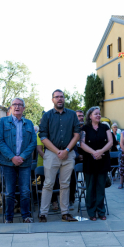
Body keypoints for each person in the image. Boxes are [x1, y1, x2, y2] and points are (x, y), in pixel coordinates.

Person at [38, 89, 80, 222]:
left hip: (68, 154)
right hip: (51, 154)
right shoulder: (47, 116)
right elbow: (43, 136)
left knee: (65, 184)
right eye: (57, 97)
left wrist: (67, 150)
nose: (59, 99)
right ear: (52, 100)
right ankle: (43, 213)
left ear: (64, 99)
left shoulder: (72, 115)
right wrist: (57, 151)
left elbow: (77, 134)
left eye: (61, 97)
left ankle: (65, 212)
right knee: (48, 184)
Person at [0, 97, 37, 223]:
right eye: (14, 104)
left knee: (25, 191)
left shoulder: (29, 123)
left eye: (20, 105)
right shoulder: (2, 121)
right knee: (9, 192)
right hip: (8, 162)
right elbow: (0, 141)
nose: (17, 107)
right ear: (11, 107)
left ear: (23, 108)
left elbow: (33, 142)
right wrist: (12, 157)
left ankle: (26, 216)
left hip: (24, 162)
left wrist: (22, 157)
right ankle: (9, 218)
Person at [79, 107, 112, 220]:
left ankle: (101, 211)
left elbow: (110, 142)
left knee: (100, 187)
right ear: (90, 116)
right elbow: (82, 144)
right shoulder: (85, 128)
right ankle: (92, 212)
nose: (98, 115)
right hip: (89, 162)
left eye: (99, 113)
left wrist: (100, 152)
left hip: (103, 161)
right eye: (96, 114)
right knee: (90, 187)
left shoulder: (105, 127)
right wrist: (94, 152)